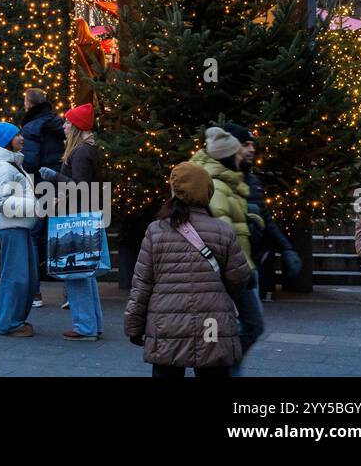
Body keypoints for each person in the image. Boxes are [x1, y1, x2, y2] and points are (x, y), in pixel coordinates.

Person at [124, 162, 252, 377]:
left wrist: (134, 326)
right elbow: (239, 277)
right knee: (213, 371)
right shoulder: (223, 230)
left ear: (174, 191)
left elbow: (142, 284)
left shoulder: (156, 231)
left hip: (166, 324)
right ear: (208, 193)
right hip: (211, 323)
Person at [192, 126, 265, 369]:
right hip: (234, 270)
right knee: (251, 325)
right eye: (237, 152)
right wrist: (239, 274)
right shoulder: (218, 185)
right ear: (226, 156)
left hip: (240, 266)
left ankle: (223, 368)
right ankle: (221, 369)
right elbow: (222, 237)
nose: (242, 156)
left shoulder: (228, 181)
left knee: (238, 329)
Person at [37, 103, 105, 340]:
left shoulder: (81, 152)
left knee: (76, 273)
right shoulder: (86, 150)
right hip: (84, 216)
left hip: (77, 219)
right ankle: (92, 325)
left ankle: (84, 327)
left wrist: (54, 176)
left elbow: (81, 187)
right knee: (85, 274)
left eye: (67, 122)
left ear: (76, 127)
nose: (64, 126)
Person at [226, 123, 302, 300]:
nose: (252, 149)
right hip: (228, 266)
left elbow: (267, 220)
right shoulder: (220, 179)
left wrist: (287, 249)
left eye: (252, 144)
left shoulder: (253, 181)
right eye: (246, 144)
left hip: (250, 264)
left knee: (253, 324)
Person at [0, 121, 38, 336]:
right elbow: (0, 200)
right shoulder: (3, 167)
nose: (22, 138)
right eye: (17, 135)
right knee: (16, 276)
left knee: (26, 276)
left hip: (17, 225)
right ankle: (8, 323)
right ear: (8, 140)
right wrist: (35, 207)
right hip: (11, 226)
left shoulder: (11, 164)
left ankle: (14, 320)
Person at [19, 88, 64, 308]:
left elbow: (30, 162)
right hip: (62, 181)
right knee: (62, 233)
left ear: (29, 104)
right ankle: (69, 291)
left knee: (35, 236)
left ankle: (36, 293)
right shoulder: (59, 122)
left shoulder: (30, 127)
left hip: (41, 186)